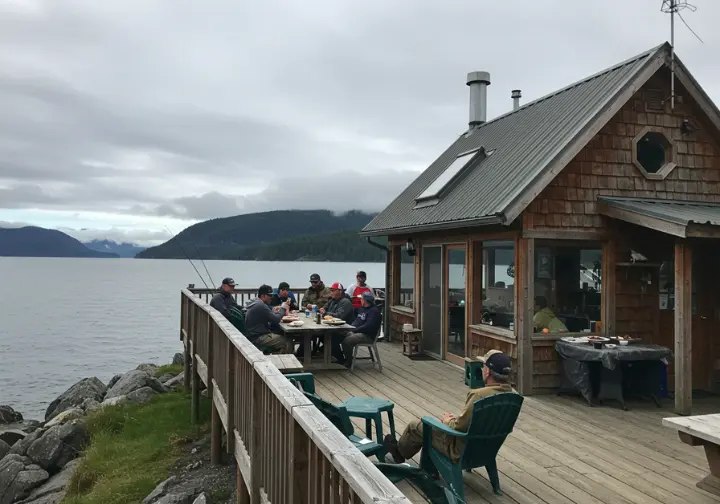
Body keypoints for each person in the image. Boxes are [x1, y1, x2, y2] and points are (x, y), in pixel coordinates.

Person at [383, 350, 517, 464]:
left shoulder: (479, 395)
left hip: (460, 451)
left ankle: (399, 453)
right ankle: (431, 467)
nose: (481, 369)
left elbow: (459, 427)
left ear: (488, 371)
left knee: (417, 426)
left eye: (483, 366)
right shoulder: (514, 397)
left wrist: (447, 421)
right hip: (487, 450)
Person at [244, 284, 294, 353]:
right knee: (287, 341)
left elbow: (268, 314)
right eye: (269, 295)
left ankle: (280, 357)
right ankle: (285, 362)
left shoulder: (256, 302)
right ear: (263, 296)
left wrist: (273, 309)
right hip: (258, 337)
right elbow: (276, 320)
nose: (271, 297)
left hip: (253, 334)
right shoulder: (260, 305)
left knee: (281, 334)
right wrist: (283, 308)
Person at [340, 291, 382, 368]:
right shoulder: (361, 308)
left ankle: (348, 361)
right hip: (356, 331)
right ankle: (338, 357)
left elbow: (368, 326)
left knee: (347, 341)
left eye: (361, 299)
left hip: (367, 335)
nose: (360, 300)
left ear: (365, 300)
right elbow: (352, 312)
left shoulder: (374, 311)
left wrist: (354, 330)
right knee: (337, 333)